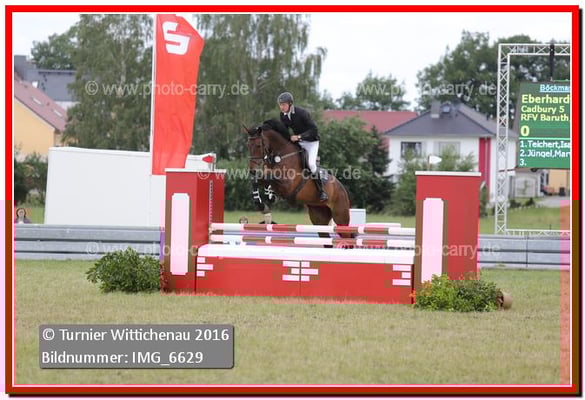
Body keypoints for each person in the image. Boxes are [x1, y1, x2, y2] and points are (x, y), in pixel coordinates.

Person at [277, 91, 328, 202]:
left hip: (311, 142)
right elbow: (284, 131)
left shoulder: (302, 113)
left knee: (311, 164)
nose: (281, 107)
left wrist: (299, 136)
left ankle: (321, 191)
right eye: (280, 105)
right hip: (299, 142)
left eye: (283, 104)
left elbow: (314, 130)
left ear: (290, 104)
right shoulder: (283, 116)